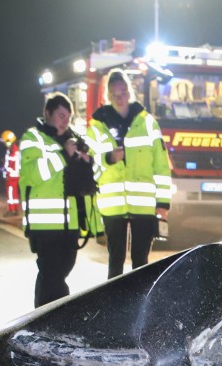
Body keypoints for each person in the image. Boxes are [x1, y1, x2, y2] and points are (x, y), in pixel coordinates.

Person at [87, 69, 173, 279]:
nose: (120, 98)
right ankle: (114, 307)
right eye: (115, 95)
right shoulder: (97, 126)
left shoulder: (147, 123)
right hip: (112, 204)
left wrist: (163, 203)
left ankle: (138, 308)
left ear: (130, 92)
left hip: (143, 205)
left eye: (123, 93)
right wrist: (108, 159)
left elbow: (161, 167)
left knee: (141, 264)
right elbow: (89, 164)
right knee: (115, 263)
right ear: (108, 96)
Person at [21, 94, 98, 307]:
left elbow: (87, 183)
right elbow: (34, 174)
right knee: (52, 275)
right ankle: (53, 320)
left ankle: (43, 320)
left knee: (58, 273)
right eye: (61, 115)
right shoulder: (33, 138)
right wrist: (63, 155)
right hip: (45, 223)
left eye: (68, 116)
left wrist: (86, 161)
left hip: (70, 223)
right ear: (47, 114)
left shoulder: (74, 139)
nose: (65, 121)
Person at [0, 129, 21, 216]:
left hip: (12, 175)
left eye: (5, 142)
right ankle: (15, 209)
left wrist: (6, 167)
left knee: (11, 193)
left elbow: (11, 164)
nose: (4, 144)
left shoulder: (13, 151)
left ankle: (12, 210)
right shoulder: (13, 149)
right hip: (14, 175)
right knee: (14, 193)